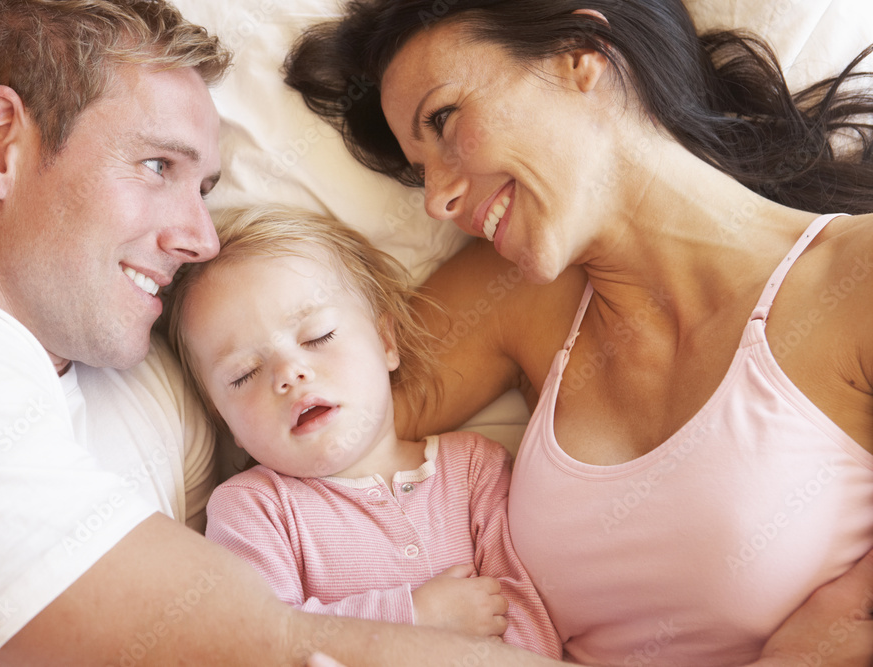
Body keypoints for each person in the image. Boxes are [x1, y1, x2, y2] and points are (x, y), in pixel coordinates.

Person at [0, 1, 564, 665]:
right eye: (156, 167)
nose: (202, 240)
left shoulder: (144, 375)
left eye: (203, 190)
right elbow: (258, 647)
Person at [283, 0, 873, 664]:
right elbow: (293, 427)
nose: (436, 199)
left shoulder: (855, 276)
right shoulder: (516, 296)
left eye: (444, 120)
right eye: (419, 169)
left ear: (581, 53)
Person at [165, 204, 562, 658]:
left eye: (318, 337)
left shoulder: (474, 470)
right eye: (245, 374)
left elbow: (531, 621)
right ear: (226, 425)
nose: (289, 374)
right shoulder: (253, 510)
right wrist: (412, 617)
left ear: (386, 343)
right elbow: (258, 642)